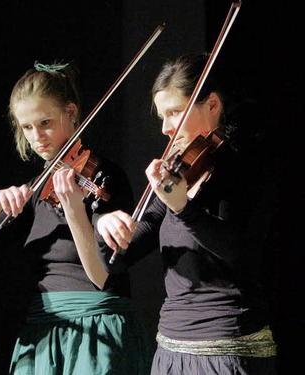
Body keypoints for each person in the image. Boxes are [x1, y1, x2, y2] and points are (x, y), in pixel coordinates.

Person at [0, 61, 154, 374]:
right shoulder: (38, 191)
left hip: (97, 327)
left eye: (45, 122)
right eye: (27, 127)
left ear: (72, 113)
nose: (37, 136)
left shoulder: (105, 178)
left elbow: (103, 274)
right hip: (43, 330)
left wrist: (76, 210)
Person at [94, 52, 278, 374]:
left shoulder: (246, 168)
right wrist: (104, 225)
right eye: (162, 116)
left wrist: (183, 207)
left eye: (175, 112)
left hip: (230, 352)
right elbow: (118, 260)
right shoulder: (175, 177)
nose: (165, 129)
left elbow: (241, 253)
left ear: (212, 105)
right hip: (171, 353)